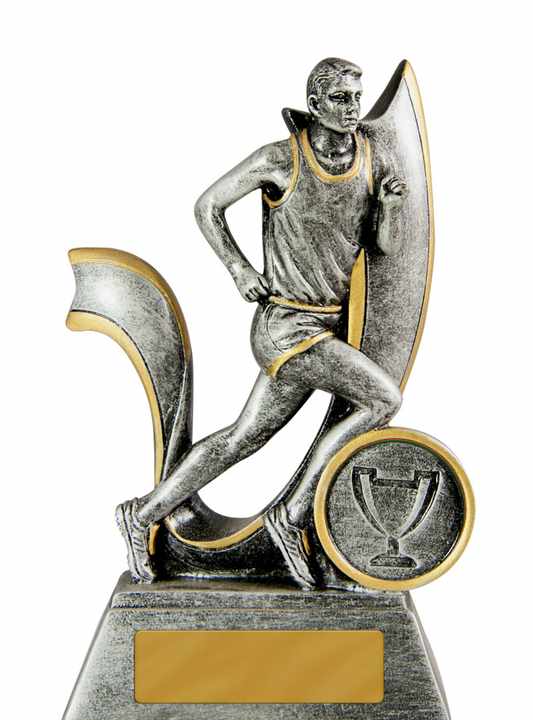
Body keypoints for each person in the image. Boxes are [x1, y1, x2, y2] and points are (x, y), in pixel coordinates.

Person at [116, 57, 406, 586]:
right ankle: (291, 516)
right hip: (287, 328)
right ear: (314, 104)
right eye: (340, 98)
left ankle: (141, 513)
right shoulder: (281, 158)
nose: (352, 109)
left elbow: (381, 249)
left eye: (356, 98)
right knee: (382, 400)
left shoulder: (367, 159)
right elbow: (208, 206)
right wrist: (239, 268)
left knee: (241, 439)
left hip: (327, 329)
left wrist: (386, 207)